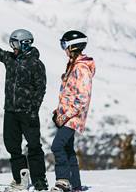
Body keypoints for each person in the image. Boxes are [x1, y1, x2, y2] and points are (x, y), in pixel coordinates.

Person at [0, 11, 49, 191]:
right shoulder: (10, 59)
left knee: (34, 146)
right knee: (12, 147)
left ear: (24, 43)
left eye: (15, 43)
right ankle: (20, 178)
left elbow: (40, 89)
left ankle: (39, 179)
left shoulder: (36, 64)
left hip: (27, 113)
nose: (12, 47)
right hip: (10, 111)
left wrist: (33, 109)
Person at [51, 30, 95, 192]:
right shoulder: (73, 65)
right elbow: (69, 94)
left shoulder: (81, 69)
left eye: (64, 45)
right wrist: (58, 111)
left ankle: (63, 181)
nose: (64, 49)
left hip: (73, 117)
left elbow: (82, 98)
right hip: (67, 115)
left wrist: (65, 116)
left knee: (57, 146)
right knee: (68, 149)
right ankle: (75, 185)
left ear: (73, 46)